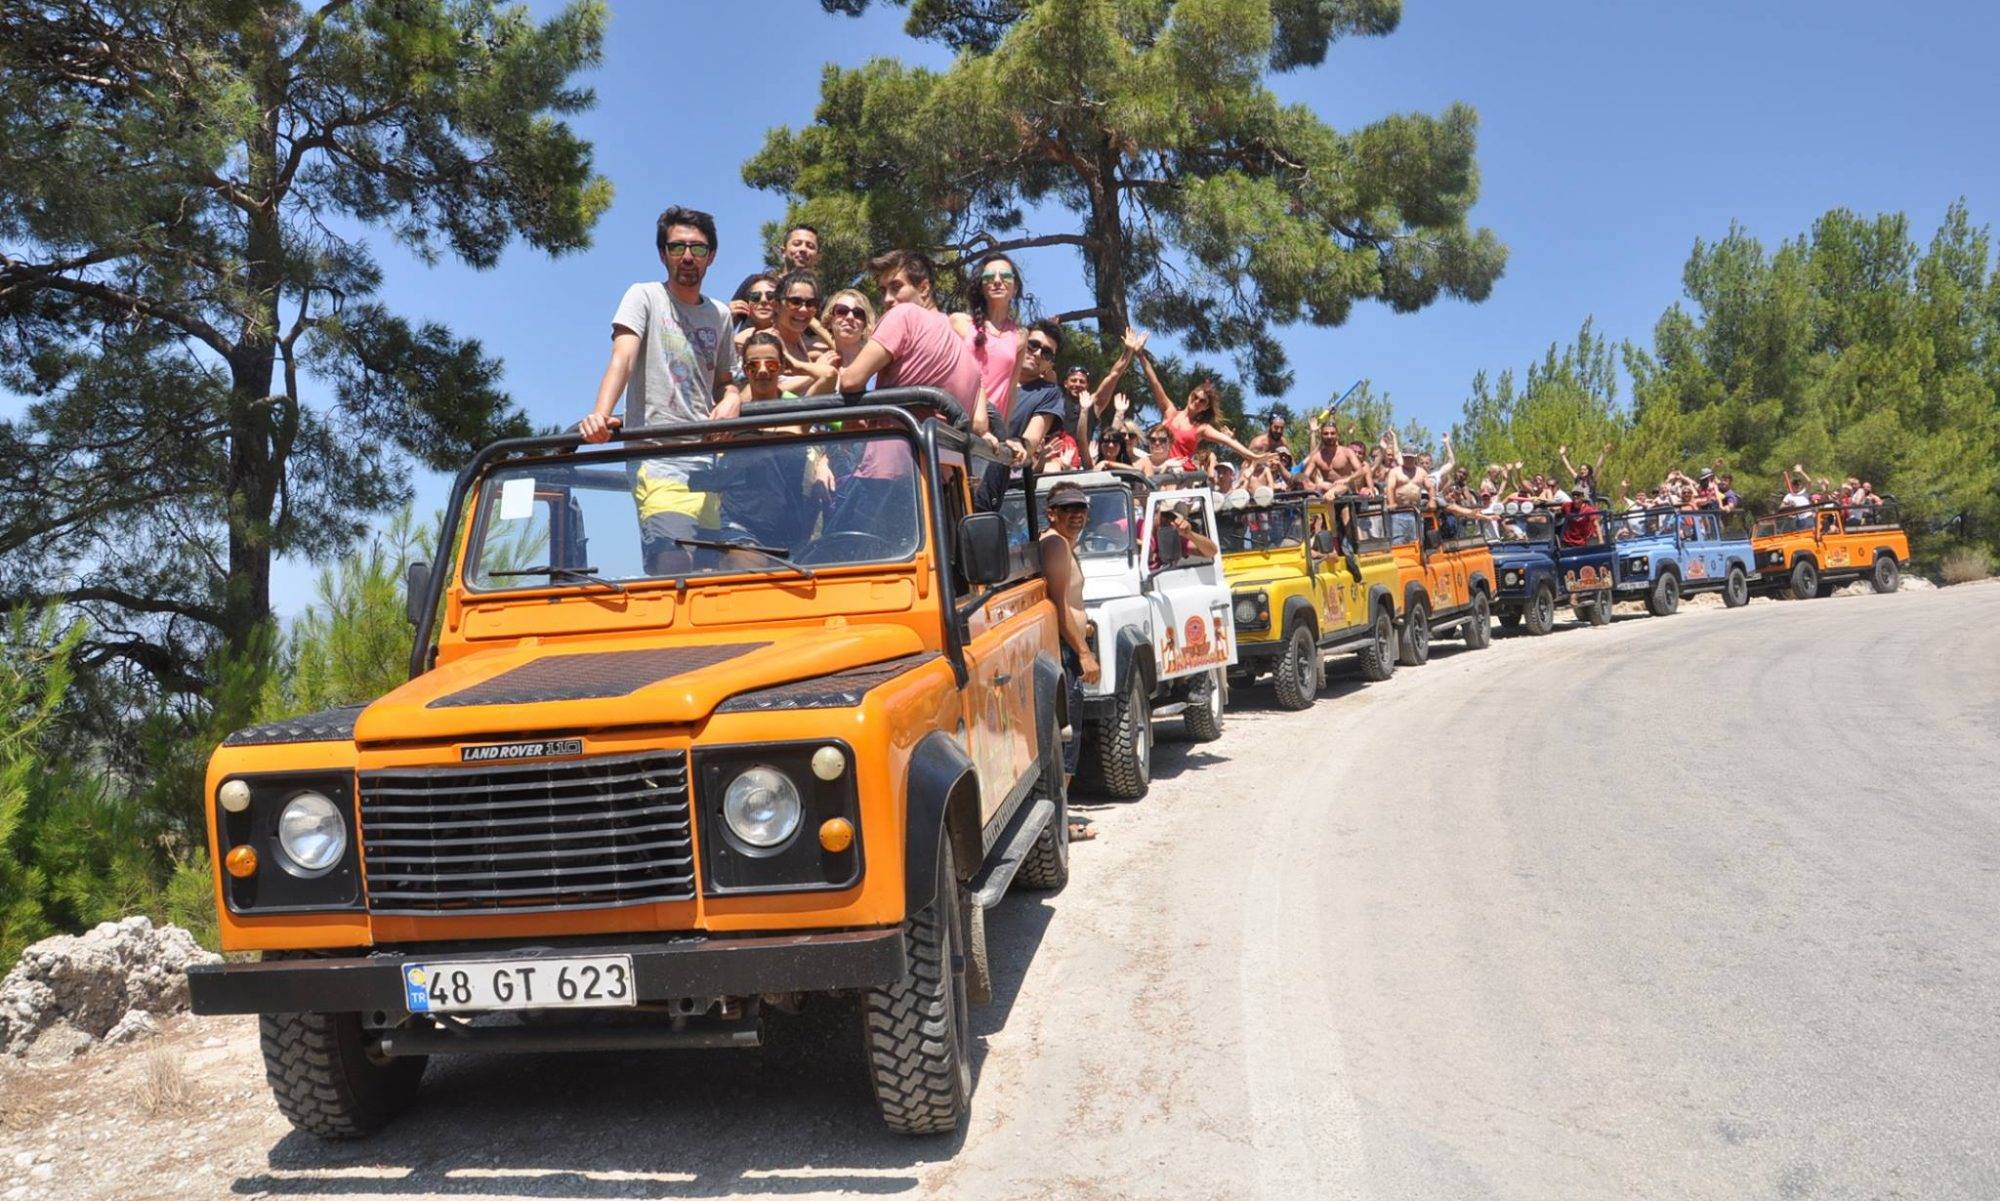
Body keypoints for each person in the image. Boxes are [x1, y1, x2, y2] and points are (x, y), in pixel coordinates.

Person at [581, 206, 741, 572]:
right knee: (672, 566)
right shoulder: (644, 296)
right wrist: (601, 414)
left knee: (711, 576)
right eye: (677, 247)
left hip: (706, 464)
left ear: (711, 256)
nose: (687, 256)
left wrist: (732, 399)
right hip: (657, 458)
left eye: (698, 249)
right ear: (662, 254)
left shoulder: (720, 314)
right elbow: (622, 358)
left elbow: (726, 382)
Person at [1040, 482, 1100, 839]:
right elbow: (1059, 605)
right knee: (1067, 739)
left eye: (1081, 508)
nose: (1076, 514)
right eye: (1067, 508)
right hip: (1065, 651)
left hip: (1071, 648)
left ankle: (1062, 818)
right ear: (1052, 513)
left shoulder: (1064, 544)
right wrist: (1083, 652)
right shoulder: (1056, 545)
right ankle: (1061, 828)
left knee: (1071, 738)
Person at [951, 253, 1024, 427]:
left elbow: (1011, 390)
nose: (997, 281)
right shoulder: (959, 323)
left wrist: (1003, 434)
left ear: (1015, 288)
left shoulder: (1021, 336)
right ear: (981, 287)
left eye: (1005, 276)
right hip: (956, 421)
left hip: (991, 431)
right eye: (989, 277)